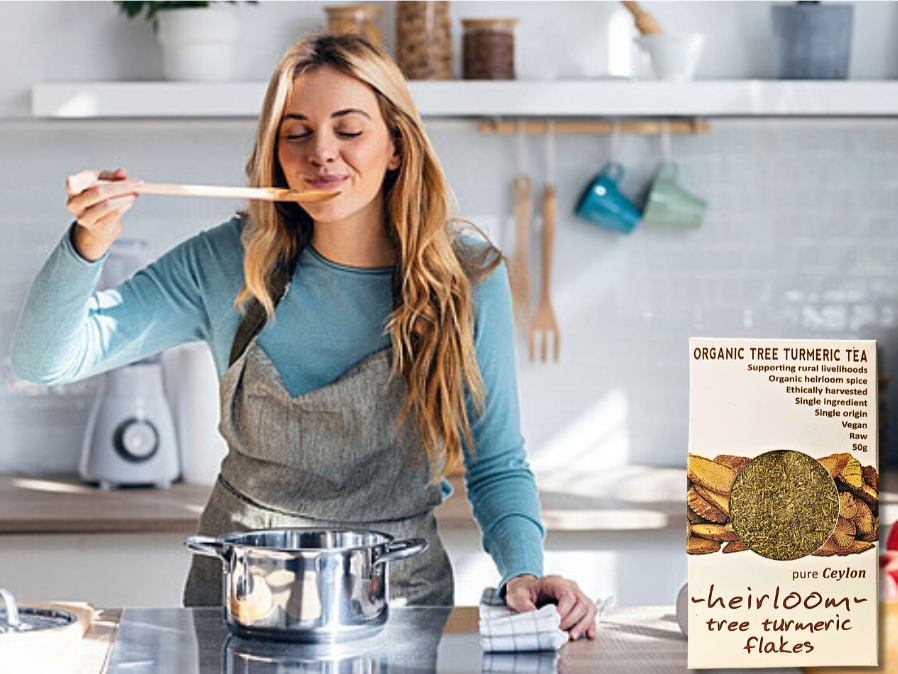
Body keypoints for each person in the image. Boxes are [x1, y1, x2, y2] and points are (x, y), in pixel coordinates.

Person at [12, 34, 597, 639]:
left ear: (396, 146)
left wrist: (523, 572)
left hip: (397, 607)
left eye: (349, 131)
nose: (322, 153)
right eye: (297, 133)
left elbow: (496, 463)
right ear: (275, 152)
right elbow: (43, 360)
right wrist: (87, 243)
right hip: (239, 606)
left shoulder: (466, 276)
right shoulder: (226, 263)